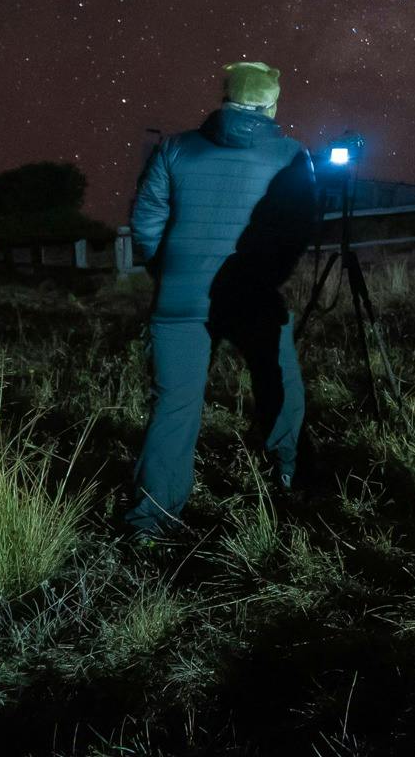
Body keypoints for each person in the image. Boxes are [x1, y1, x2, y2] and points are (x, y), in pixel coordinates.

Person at [125, 61, 320, 541]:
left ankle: (151, 520)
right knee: (279, 384)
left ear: (224, 98)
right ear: (271, 102)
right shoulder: (293, 155)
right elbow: (300, 229)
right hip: (253, 292)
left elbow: (146, 220)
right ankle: (288, 473)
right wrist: (267, 274)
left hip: (181, 295)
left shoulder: (175, 148)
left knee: (175, 405)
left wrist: (166, 270)